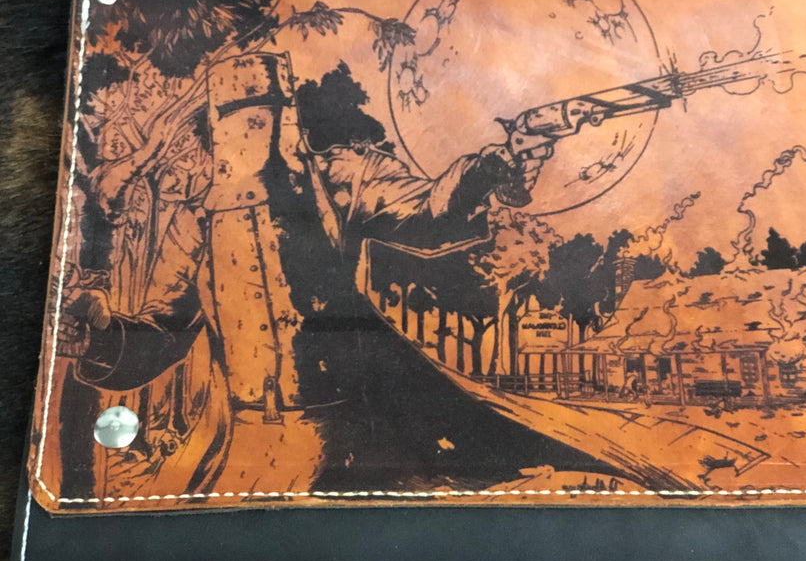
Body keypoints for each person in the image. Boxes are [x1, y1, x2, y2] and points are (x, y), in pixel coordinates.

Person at [57, 51, 552, 497]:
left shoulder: (339, 178)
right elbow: (164, 333)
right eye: (236, 118)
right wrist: (101, 335)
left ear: (287, 116)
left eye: (265, 115)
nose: (254, 132)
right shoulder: (198, 216)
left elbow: (427, 211)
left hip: (353, 440)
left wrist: (493, 166)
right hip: (247, 445)